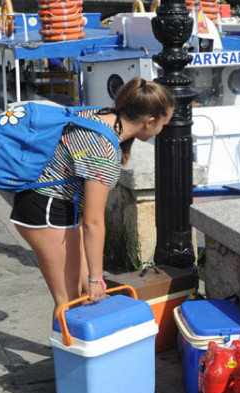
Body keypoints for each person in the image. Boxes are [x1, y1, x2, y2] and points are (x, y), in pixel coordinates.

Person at [10, 77, 174, 313]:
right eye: (163, 124)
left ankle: (84, 348)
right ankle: (64, 349)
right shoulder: (105, 150)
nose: (161, 131)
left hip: (44, 201)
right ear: (149, 122)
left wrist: (93, 279)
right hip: (44, 209)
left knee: (84, 292)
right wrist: (97, 278)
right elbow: (93, 222)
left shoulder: (98, 115)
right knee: (68, 301)